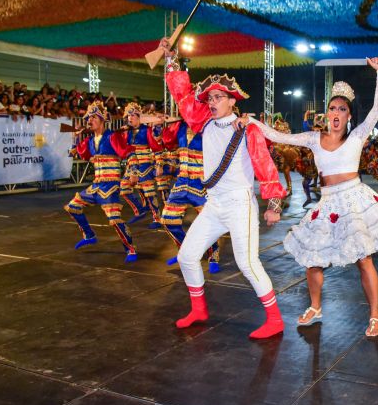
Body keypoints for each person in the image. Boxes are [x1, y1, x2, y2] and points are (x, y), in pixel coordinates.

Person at [239, 57, 378, 337]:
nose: (336, 112)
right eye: (332, 108)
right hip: (327, 201)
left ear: (349, 115)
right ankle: (315, 307)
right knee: (313, 258)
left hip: (353, 200)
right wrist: (252, 121)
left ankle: (375, 315)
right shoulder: (313, 138)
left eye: (342, 109)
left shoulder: (358, 136)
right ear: (327, 114)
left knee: (363, 259)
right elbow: (280, 137)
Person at [163, 43, 286, 339]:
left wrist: (274, 205)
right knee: (187, 256)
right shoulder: (204, 123)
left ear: (232, 101)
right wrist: (171, 61)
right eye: (211, 97)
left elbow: (265, 167)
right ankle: (199, 309)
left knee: (247, 262)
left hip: (240, 205)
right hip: (214, 204)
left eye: (219, 97)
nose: (214, 101)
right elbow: (182, 96)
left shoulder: (248, 129)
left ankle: (275, 319)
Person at [64, 101, 138, 262]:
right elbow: (76, 154)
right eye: (88, 119)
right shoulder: (90, 140)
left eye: (93, 118)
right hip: (96, 185)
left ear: (101, 119)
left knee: (114, 220)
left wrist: (133, 172)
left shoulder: (112, 136)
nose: (89, 121)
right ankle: (89, 235)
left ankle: (130, 248)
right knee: (72, 207)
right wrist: (75, 139)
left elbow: (129, 153)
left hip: (110, 186)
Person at [148, 116, 221, 273]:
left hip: (200, 183)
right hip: (181, 182)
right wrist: (158, 125)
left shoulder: (208, 127)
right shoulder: (179, 128)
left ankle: (213, 254)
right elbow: (163, 142)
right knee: (168, 220)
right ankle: (186, 252)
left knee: (210, 222)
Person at [120, 102, 162, 229]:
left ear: (139, 117)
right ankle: (140, 210)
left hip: (144, 164)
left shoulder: (147, 130)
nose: (130, 118)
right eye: (128, 116)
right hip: (132, 165)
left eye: (132, 116)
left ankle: (157, 218)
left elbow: (156, 148)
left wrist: (159, 164)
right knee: (124, 189)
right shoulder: (127, 132)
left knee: (149, 192)